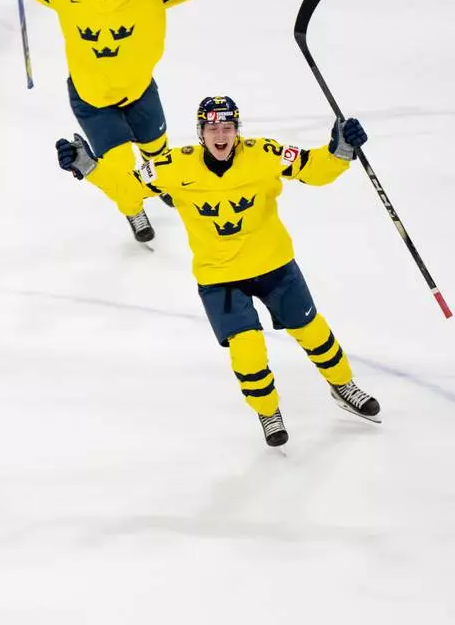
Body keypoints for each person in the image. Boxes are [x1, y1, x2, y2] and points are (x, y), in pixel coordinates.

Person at [55, 96, 381, 447]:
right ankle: (267, 411)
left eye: (227, 127)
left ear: (237, 131)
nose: (221, 135)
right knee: (247, 348)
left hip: (274, 265)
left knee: (311, 330)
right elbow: (129, 188)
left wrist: (341, 150)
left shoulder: (265, 154)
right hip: (219, 277)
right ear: (201, 133)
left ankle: (342, 384)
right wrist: (89, 167)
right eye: (213, 128)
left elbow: (313, 168)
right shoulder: (171, 166)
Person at [3, 0, 206, 243]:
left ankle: (161, 181)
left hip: (138, 90)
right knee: (120, 169)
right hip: (92, 98)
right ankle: (133, 209)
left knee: (156, 148)